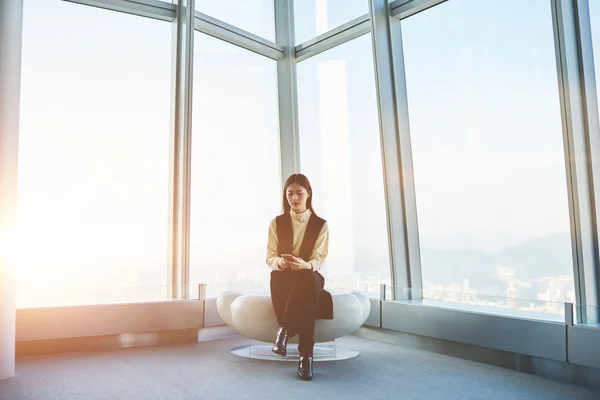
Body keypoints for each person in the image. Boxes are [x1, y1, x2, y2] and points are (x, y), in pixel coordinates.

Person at [266, 173, 332, 381]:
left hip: (309, 276)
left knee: (306, 277)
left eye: (299, 193)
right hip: (284, 277)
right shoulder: (276, 223)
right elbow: (270, 257)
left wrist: (306, 265)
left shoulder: (321, 224)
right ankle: (306, 356)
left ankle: (284, 331)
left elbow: (319, 259)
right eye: (290, 194)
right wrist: (280, 263)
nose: (294, 198)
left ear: (308, 194)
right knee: (305, 296)